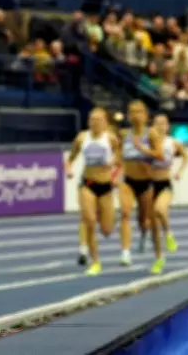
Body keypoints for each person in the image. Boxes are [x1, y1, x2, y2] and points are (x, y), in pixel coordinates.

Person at [66, 108, 120, 275]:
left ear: (105, 122)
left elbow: (120, 157)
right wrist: (68, 169)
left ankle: (95, 238)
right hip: (87, 184)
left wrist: (114, 166)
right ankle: (95, 261)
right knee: (89, 220)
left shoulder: (111, 138)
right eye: (92, 119)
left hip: (106, 187)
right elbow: (70, 158)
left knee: (107, 229)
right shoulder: (82, 138)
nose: (95, 122)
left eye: (98, 119)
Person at [119, 100, 165, 274]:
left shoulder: (151, 133)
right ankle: (125, 252)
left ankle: (158, 255)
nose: (135, 115)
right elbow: (118, 155)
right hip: (127, 181)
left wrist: (143, 149)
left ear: (145, 115)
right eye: (132, 112)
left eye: (139, 112)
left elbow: (159, 155)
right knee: (125, 213)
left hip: (146, 183)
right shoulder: (124, 134)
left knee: (147, 221)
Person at [150, 114, 188, 254]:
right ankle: (158, 256)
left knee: (160, 209)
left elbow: (186, 156)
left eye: (163, 124)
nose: (160, 126)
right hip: (149, 185)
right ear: (153, 126)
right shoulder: (148, 142)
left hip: (164, 184)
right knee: (152, 224)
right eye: (157, 123)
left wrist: (180, 172)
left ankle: (169, 234)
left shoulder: (173, 142)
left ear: (168, 126)